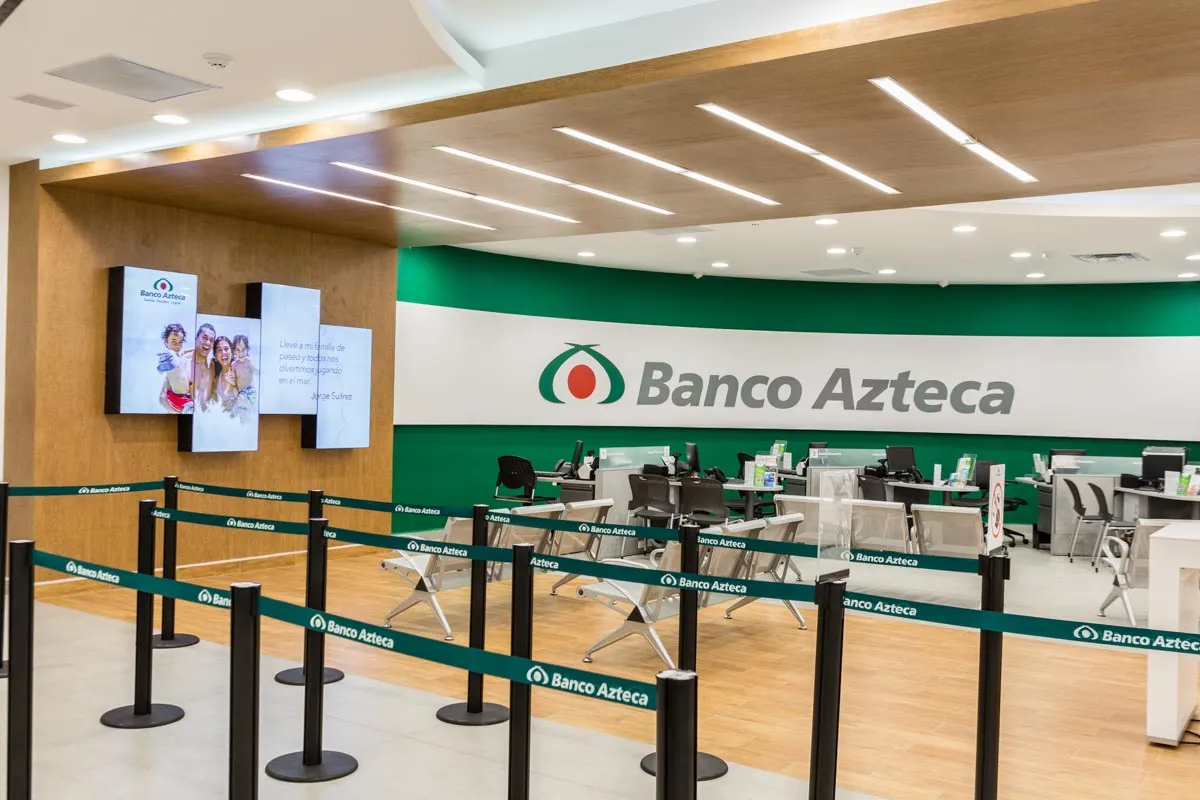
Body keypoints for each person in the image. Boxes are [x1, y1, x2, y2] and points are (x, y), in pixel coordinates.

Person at [156, 323, 193, 413]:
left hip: (184, 398)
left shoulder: (179, 356)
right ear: (166, 341)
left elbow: (183, 352)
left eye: (180, 342)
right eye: (173, 341)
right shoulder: (170, 355)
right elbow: (169, 356)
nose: (177, 346)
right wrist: (162, 365)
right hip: (177, 399)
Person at [191, 323, 216, 409]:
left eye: (211, 340)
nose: (208, 343)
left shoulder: (212, 366)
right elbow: (163, 397)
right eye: (204, 338)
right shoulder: (184, 362)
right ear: (196, 338)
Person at [232, 335, 256, 408]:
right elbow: (233, 381)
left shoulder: (249, 362)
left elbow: (257, 373)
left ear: (247, 349)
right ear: (234, 351)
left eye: (243, 349)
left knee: (249, 406)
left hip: (250, 390)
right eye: (238, 350)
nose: (241, 353)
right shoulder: (234, 364)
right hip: (239, 391)